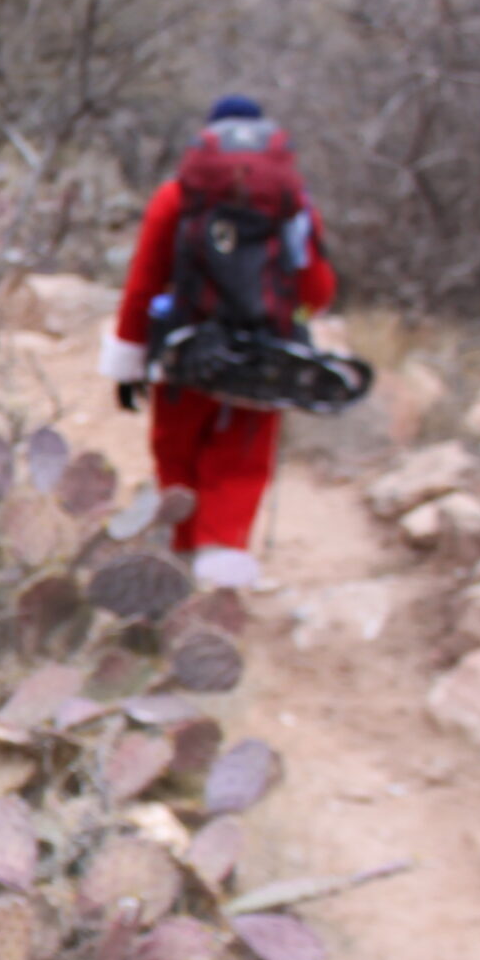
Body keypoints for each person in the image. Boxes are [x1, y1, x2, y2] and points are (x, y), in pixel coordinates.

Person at [99, 94, 338, 589]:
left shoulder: (177, 197)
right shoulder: (292, 203)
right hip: (263, 359)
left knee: (177, 454)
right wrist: (290, 316)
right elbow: (316, 289)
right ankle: (222, 568)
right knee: (240, 463)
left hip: (184, 354)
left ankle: (178, 564)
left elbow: (144, 282)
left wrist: (129, 361)